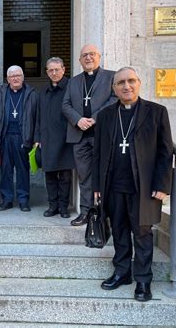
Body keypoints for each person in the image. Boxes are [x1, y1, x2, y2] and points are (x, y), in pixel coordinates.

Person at [92, 67, 173, 302]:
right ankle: (122, 272)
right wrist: (97, 185)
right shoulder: (106, 115)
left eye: (131, 81)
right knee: (118, 232)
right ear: (114, 88)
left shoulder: (157, 112)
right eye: (120, 83)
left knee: (142, 234)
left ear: (139, 83)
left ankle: (144, 280)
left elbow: (165, 152)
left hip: (144, 187)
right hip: (113, 185)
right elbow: (97, 153)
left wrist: (163, 184)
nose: (126, 86)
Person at [62, 44, 117, 226]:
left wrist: (94, 118)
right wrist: (78, 120)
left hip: (102, 134)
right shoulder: (74, 81)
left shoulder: (111, 77)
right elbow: (66, 105)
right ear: (79, 60)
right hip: (79, 135)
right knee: (84, 176)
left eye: (92, 54)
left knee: (107, 174)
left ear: (99, 57)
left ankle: (106, 213)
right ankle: (85, 212)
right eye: (84, 55)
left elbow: (114, 99)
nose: (88, 58)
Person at [0, 65, 38, 212]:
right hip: (4, 137)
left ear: (23, 77)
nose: (15, 78)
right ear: (7, 79)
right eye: (12, 76)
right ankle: (7, 200)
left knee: (22, 170)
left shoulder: (32, 94)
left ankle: (23, 200)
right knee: (6, 170)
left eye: (18, 75)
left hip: (23, 137)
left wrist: (35, 138)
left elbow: (37, 118)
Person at [35, 57, 75, 218]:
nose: (54, 73)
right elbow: (38, 116)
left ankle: (64, 207)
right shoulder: (43, 91)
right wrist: (37, 138)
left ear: (63, 70)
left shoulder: (71, 88)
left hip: (66, 139)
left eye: (57, 69)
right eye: (50, 70)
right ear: (46, 72)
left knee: (65, 176)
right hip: (47, 140)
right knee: (50, 175)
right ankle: (53, 206)